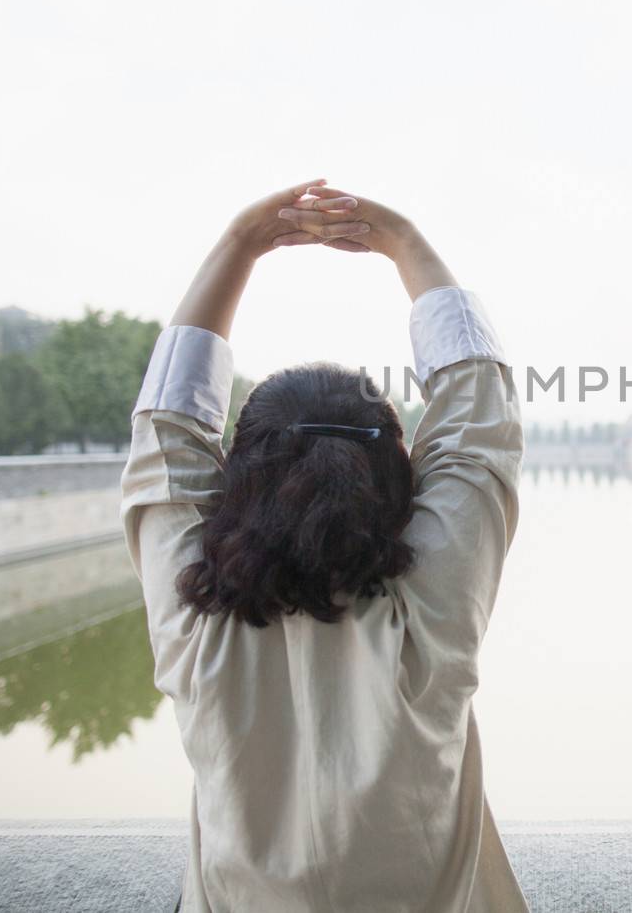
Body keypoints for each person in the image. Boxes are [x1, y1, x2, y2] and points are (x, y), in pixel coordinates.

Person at [120, 179, 527, 913]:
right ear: (396, 478)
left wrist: (240, 243)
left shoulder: (195, 618)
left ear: (237, 478)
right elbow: (475, 415)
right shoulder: (429, 612)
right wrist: (405, 241)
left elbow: (167, 428)